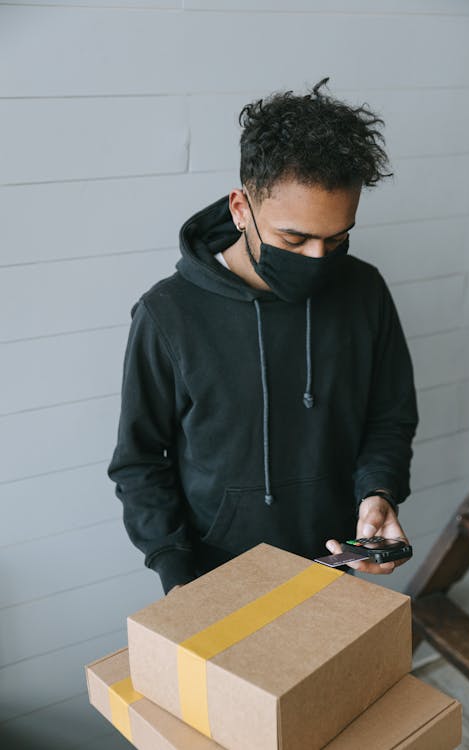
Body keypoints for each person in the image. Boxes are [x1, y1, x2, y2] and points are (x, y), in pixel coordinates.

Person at [107, 78, 419, 595]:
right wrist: (176, 570)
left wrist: (378, 494)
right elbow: (139, 462)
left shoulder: (363, 289)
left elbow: (389, 417)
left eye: (338, 237)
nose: (319, 259)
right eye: (293, 238)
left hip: (341, 560)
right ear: (239, 209)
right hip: (216, 574)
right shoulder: (168, 313)